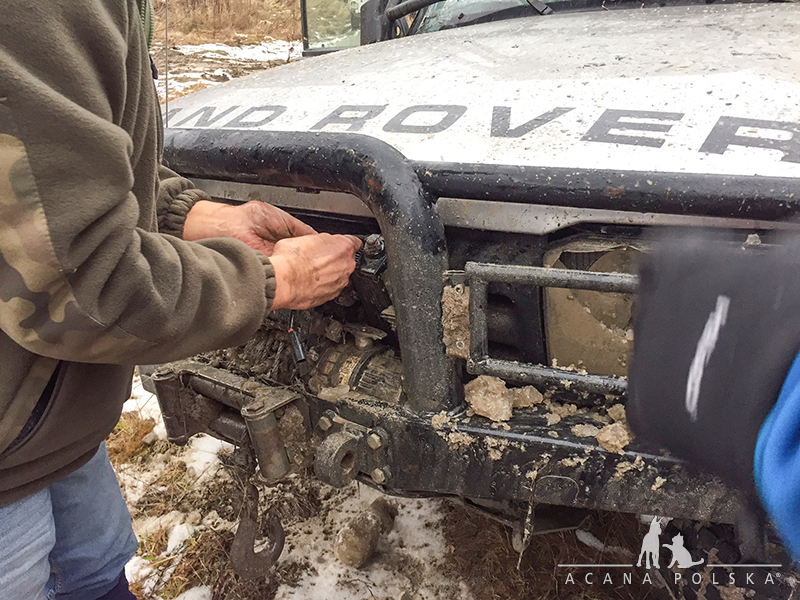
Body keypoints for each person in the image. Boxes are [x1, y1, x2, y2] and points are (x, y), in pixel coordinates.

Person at [0, 1, 362, 598]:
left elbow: (76, 163)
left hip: (48, 419)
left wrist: (189, 213)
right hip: (13, 439)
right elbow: (80, 286)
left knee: (98, 572)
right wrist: (276, 280)